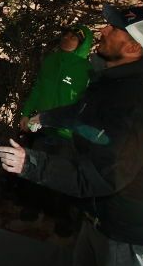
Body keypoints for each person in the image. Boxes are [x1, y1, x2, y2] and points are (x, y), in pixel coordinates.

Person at [0, 5, 143, 266]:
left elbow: (102, 175)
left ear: (133, 48)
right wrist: (46, 117)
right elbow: (83, 112)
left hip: (126, 227)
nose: (102, 30)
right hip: (100, 212)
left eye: (113, 28)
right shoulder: (116, 81)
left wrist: (31, 164)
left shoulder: (141, 105)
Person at [16, 25, 93, 229]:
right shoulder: (50, 61)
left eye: (73, 38)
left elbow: (86, 104)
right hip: (42, 127)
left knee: (63, 173)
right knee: (34, 165)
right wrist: (26, 113)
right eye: (65, 35)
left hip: (67, 132)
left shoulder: (87, 69)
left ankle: (62, 216)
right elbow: (38, 88)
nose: (67, 39)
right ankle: (32, 207)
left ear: (82, 43)